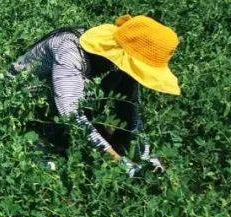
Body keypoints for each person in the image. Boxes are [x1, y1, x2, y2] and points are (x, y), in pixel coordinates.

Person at [11, 15, 179, 176]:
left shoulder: (117, 66)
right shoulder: (70, 50)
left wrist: (146, 156)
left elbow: (129, 109)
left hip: (60, 108)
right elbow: (70, 115)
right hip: (21, 104)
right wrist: (118, 161)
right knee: (48, 159)